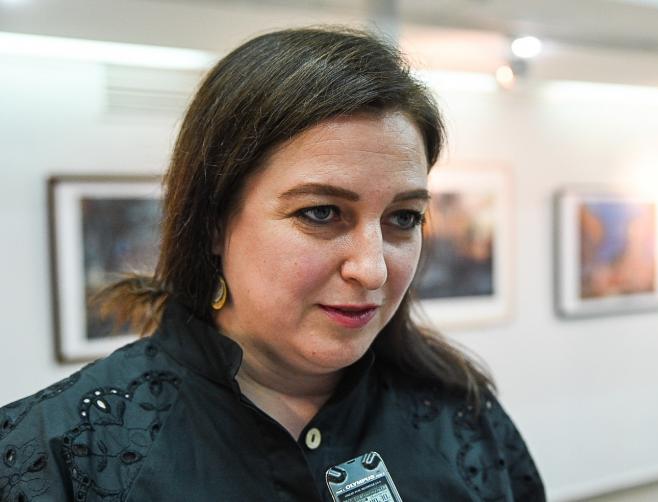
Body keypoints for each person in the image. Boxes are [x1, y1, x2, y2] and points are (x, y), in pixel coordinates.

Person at [0, 27, 545, 501]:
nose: (373, 269)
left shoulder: (462, 421)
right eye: (321, 213)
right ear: (214, 223)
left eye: (403, 218)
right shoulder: (58, 455)